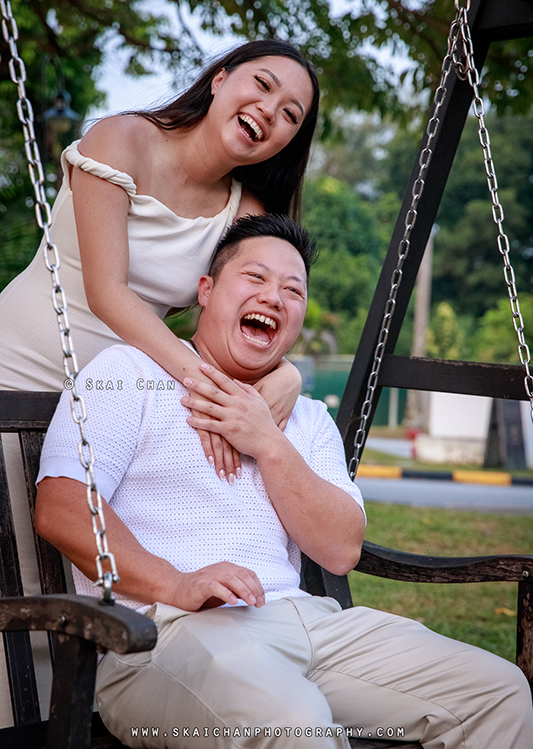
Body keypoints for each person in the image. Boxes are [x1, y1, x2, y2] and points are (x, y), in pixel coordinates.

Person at [35, 214, 533, 749]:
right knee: (294, 724)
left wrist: (267, 442)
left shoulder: (308, 418)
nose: (274, 297)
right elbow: (62, 506)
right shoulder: (126, 373)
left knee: (499, 694)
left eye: (293, 289)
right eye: (255, 278)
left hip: (310, 625)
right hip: (164, 636)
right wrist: (174, 584)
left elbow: (341, 549)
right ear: (206, 291)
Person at [0, 38, 319, 478]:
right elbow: (106, 294)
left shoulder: (245, 215)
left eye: (290, 115)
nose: (269, 110)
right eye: (263, 85)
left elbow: (240, 318)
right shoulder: (122, 139)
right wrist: (214, 389)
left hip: (114, 409)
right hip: (13, 373)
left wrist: (288, 375)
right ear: (219, 79)